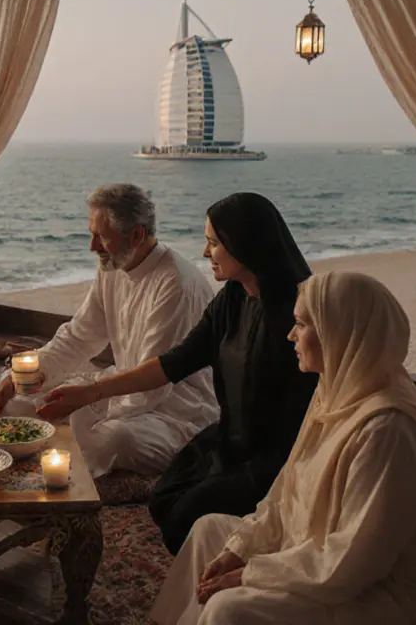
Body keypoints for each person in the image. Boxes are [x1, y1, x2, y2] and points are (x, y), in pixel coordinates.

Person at [149, 271, 416, 625]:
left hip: (390, 592)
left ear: (340, 332)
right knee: (210, 532)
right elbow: (286, 493)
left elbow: (353, 564)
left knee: (230, 608)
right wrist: (241, 549)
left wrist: (251, 574)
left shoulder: (389, 430)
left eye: (300, 324)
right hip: (326, 558)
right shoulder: (336, 392)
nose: (290, 335)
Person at [39, 192, 317, 552]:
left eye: (213, 243)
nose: (205, 253)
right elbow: (173, 362)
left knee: (184, 516)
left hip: (273, 456)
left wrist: (94, 398)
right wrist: (88, 394)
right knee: (163, 500)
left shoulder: (299, 317)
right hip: (228, 437)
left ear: (243, 246)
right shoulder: (231, 299)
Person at [0, 184, 218, 478]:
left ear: (135, 236)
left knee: (113, 438)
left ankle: (70, 454)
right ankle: (68, 441)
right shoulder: (112, 267)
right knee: (17, 402)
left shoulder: (175, 284)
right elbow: (79, 335)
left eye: (100, 236)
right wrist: (30, 373)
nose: (92, 246)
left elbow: (154, 386)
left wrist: (86, 406)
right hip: (116, 388)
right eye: (91, 234)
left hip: (174, 408)